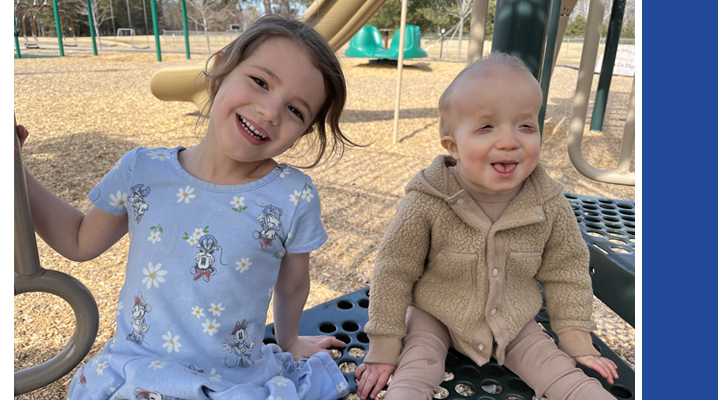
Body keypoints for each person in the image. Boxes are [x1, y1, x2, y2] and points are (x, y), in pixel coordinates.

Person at [19, 14, 359, 400]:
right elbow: (78, 241)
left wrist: (289, 340)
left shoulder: (292, 196)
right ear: (219, 70)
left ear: (305, 131)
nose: (270, 111)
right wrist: (15, 170)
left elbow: (293, 284)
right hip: (139, 370)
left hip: (231, 382)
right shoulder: (142, 171)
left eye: (296, 110)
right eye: (260, 82)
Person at [354, 52, 620, 400]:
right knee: (418, 366)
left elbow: (566, 270)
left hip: (513, 322)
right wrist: (384, 348)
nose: (510, 140)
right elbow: (394, 271)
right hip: (435, 316)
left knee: (560, 372)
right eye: (486, 127)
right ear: (454, 147)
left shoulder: (547, 204)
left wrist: (575, 337)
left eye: (526, 126)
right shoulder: (428, 200)